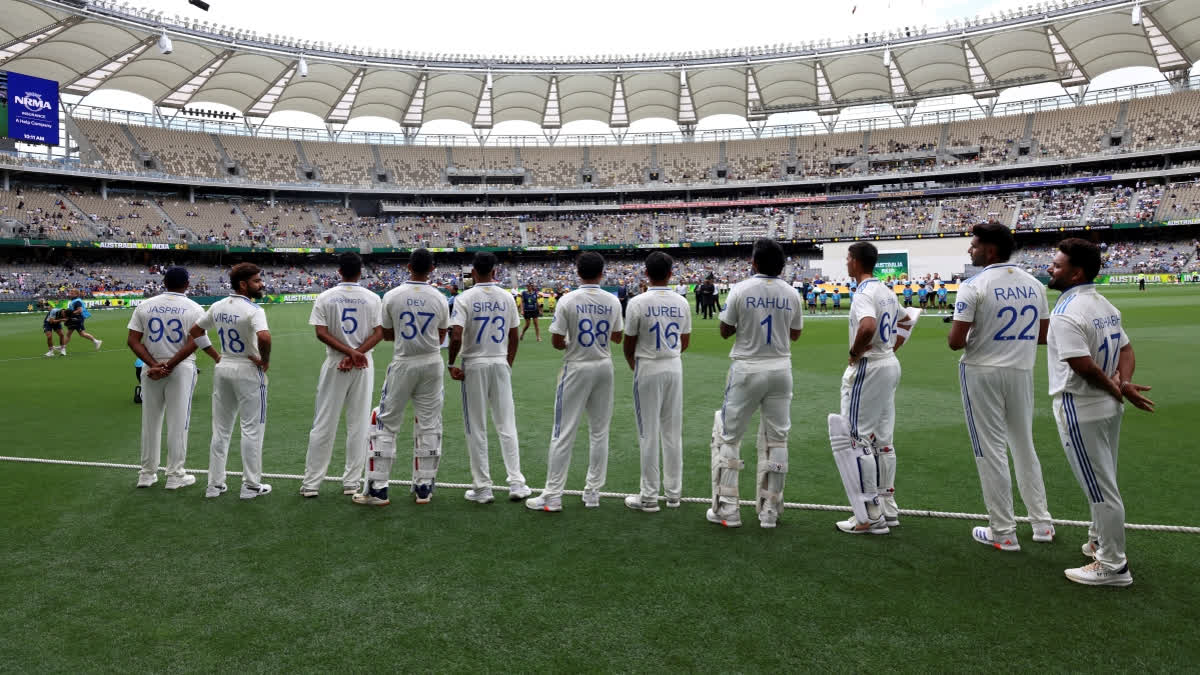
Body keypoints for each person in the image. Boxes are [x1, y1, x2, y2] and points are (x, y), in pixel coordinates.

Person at [1046, 238, 1154, 587]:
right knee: (1104, 477)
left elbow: (1082, 366)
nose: (1051, 268)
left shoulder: (1066, 312)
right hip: (1107, 408)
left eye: (1058, 264)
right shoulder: (1102, 302)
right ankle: (1097, 541)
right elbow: (1126, 346)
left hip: (1082, 407)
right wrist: (1124, 383)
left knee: (1100, 487)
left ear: (1076, 273)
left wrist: (1115, 386)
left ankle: (1113, 566)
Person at [948, 224, 1054, 551]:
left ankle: (1003, 531)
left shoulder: (974, 285)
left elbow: (955, 342)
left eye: (974, 245)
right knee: (1024, 445)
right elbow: (1042, 335)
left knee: (989, 449)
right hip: (1021, 369)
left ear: (990, 250)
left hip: (982, 371)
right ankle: (1042, 524)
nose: (970, 249)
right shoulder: (1035, 284)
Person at [709, 239, 804, 529]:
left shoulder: (740, 289)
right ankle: (770, 511)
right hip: (780, 368)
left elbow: (725, 330)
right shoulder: (791, 293)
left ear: (754, 262)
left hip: (748, 368)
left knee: (728, 436)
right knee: (777, 439)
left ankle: (728, 508)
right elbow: (796, 334)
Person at [526, 252, 624, 512]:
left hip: (577, 366)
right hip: (604, 366)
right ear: (602, 273)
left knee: (563, 431)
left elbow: (557, 342)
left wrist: (573, 340)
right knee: (599, 432)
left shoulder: (568, 300)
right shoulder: (612, 300)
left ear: (578, 272)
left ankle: (553, 494)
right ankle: (592, 493)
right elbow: (617, 337)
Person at [168, 263, 273, 500]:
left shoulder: (218, 306)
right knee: (252, 430)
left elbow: (196, 331)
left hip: (224, 366)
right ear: (243, 284)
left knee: (221, 430)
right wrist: (264, 361)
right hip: (247, 368)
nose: (261, 284)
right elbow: (264, 337)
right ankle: (251, 485)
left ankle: (214, 485)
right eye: (257, 281)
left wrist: (216, 355)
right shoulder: (254, 310)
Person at [361, 248, 450, 506]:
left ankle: (378, 488)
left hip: (404, 362)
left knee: (386, 422)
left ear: (408, 266)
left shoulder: (392, 295)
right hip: (432, 362)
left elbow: (387, 334)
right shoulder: (440, 297)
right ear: (432, 269)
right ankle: (424, 487)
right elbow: (442, 334)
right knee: (429, 423)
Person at [830, 242, 909, 535]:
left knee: (857, 438)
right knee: (884, 440)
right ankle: (888, 509)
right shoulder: (886, 290)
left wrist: (854, 352)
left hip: (871, 365)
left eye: (848, 258)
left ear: (855, 262)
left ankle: (869, 515)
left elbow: (866, 326)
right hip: (888, 363)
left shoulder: (864, 293)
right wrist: (892, 346)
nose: (846, 263)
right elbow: (907, 319)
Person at [447, 252, 531, 503]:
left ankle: (483, 488)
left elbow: (457, 335)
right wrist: (508, 362)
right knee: (507, 423)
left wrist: (451, 363)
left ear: (473, 273)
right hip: (499, 360)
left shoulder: (464, 298)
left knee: (476, 426)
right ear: (495, 272)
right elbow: (514, 335)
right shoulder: (507, 297)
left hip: (474, 363)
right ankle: (516, 483)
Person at [125, 267, 219, 490]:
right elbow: (194, 341)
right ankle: (175, 475)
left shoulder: (145, 305)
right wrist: (170, 365)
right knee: (178, 422)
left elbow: (132, 340)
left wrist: (153, 364)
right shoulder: (194, 308)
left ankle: (146, 474)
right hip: (180, 368)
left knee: (150, 422)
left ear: (164, 282)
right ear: (187, 284)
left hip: (151, 368)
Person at [300, 253, 384, 499]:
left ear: (339, 271)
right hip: (363, 363)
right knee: (358, 424)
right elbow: (379, 333)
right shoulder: (371, 298)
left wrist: (347, 353)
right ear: (361, 271)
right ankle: (351, 483)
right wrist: (356, 353)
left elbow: (320, 332)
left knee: (324, 422)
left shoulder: (326, 297)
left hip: (337, 362)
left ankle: (311, 484)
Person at [621, 251, 691, 512]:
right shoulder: (681, 302)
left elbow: (628, 345)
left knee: (647, 432)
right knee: (672, 432)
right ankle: (673, 494)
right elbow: (685, 342)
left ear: (646, 273)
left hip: (648, 366)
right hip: (674, 366)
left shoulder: (638, 302)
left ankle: (649, 496)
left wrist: (636, 367)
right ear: (671, 273)